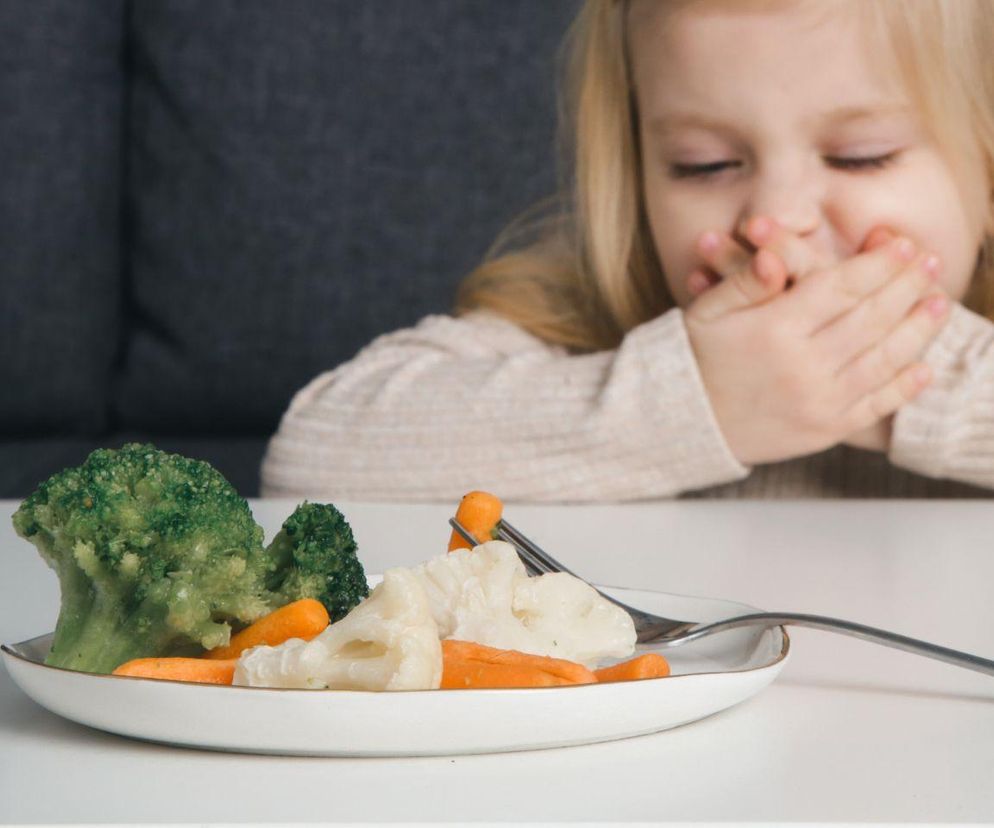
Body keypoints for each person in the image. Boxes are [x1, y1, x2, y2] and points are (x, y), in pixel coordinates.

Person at [261, 0, 994, 502]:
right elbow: (310, 455)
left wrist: (906, 380)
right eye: (704, 165)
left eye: (860, 157)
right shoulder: (593, 333)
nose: (775, 220)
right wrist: (692, 402)